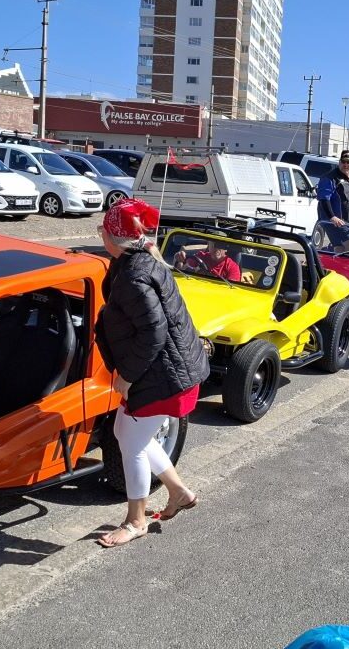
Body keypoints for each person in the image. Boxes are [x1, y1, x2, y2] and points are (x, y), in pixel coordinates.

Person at [94, 199, 210, 548]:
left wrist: (125, 377)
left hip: (162, 377)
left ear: (114, 238)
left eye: (102, 230)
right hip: (173, 372)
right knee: (128, 434)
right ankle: (178, 492)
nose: (100, 235)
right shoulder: (140, 263)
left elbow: (153, 334)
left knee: (130, 443)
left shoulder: (133, 276)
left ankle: (135, 520)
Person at [316, 150, 349, 253]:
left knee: (341, 248)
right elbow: (324, 199)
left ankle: (337, 267)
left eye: (348, 162)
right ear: (339, 162)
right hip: (335, 221)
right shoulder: (330, 178)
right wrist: (332, 217)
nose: (345, 164)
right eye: (343, 161)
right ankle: (346, 267)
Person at [173, 238, 242, 282]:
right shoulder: (200, 256)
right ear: (209, 245)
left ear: (226, 248)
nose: (216, 248)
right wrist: (180, 259)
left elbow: (231, 291)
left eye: (220, 244)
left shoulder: (233, 267)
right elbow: (184, 271)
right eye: (213, 244)